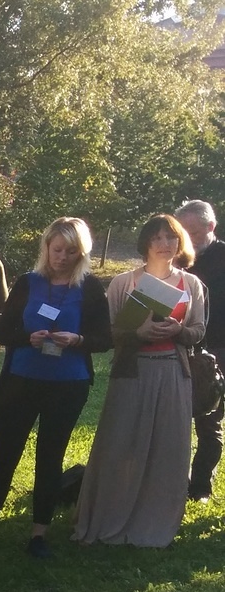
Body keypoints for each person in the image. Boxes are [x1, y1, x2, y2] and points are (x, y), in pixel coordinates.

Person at [0, 218, 112, 558]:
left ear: (82, 253)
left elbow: (104, 338)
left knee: (50, 458)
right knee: (4, 456)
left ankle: (38, 535)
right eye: (57, 249)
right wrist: (27, 338)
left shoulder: (90, 287)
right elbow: (2, 331)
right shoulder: (27, 282)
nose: (62, 257)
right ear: (46, 247)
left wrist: (77, 339)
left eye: (71, 252)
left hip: (68, 384)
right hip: (22, 381)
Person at [73, 214, 207, 548]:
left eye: (170, 237)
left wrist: (179, 330)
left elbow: (198, 330)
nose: (164, 244)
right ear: (145, 243)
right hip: (132, 373)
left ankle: (155, 519)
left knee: (167, 448)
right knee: (121, 445)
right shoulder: (124, 282)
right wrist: (138, 333)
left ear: (179, 243)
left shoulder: (191, 284)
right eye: (157, 238)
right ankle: (111, 513)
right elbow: (109, 332)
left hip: (173, 373)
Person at [176, 200, 225, 499]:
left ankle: (200, 486)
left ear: (211, 227)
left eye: (193, 232)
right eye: (183, 232)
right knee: (174, 418)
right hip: (179, 346)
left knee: (208, 420)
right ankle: (172, 481)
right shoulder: (177, 260)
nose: (188, 239)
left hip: (218, 348)